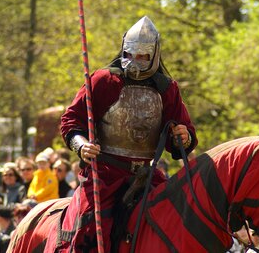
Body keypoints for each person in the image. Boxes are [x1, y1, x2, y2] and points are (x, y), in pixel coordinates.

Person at [53, 16, 198, 252]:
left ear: (154, 55)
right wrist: (82, 145)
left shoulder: (167, 88)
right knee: (87, 228)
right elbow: (71, 119)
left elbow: (181, 133)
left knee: (178, 220)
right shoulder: (104, 80)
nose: (135, 61)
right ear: (123, 50)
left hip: (147, 176)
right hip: (105, 176)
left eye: (143, 56)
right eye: (131, 54)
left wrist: (183, 136)